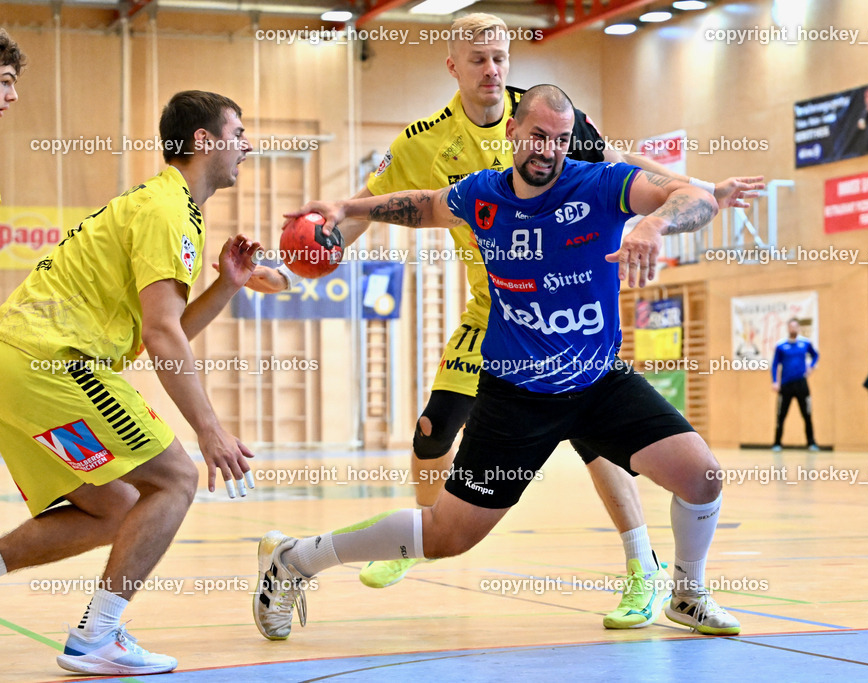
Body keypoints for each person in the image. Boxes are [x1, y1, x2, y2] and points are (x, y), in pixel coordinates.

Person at [245, 13, 757, 628]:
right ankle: (296, 559)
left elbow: (686, 196)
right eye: (537, 136)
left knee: (701, 476)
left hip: (597, 381)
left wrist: (657, 220)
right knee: (448, 532)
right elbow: (421, 205)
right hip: (517, 389)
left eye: (560, 139)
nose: (547, 149)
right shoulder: (481, 192)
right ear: (515, 131)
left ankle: (683, 591)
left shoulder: (599, 184)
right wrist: (344, 207)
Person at [0, 90, 260, 676]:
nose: (248, 145)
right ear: (204, 141)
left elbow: (160, 330)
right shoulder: (167, 210)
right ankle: (98, 635)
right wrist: (210, 431)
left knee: (116, 508)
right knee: (174, 479)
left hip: (19, 370)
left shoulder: (168, 206)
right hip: (56, 362)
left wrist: (227, 284)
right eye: (237, 132)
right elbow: (164, 336)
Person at [770, 318, 818, 451]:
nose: (793, 329)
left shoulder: (805, 343)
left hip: (801, 383)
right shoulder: (781, 345)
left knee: (807, 414)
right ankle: (777, 443)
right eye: (791, 326)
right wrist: (775, 381)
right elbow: (775, 365)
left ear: (798, 328)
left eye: (795, 326)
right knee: (781, 415)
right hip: (786, 384)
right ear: (788, 328)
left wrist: (811, 367)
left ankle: (811, 443)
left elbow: (815, 355)